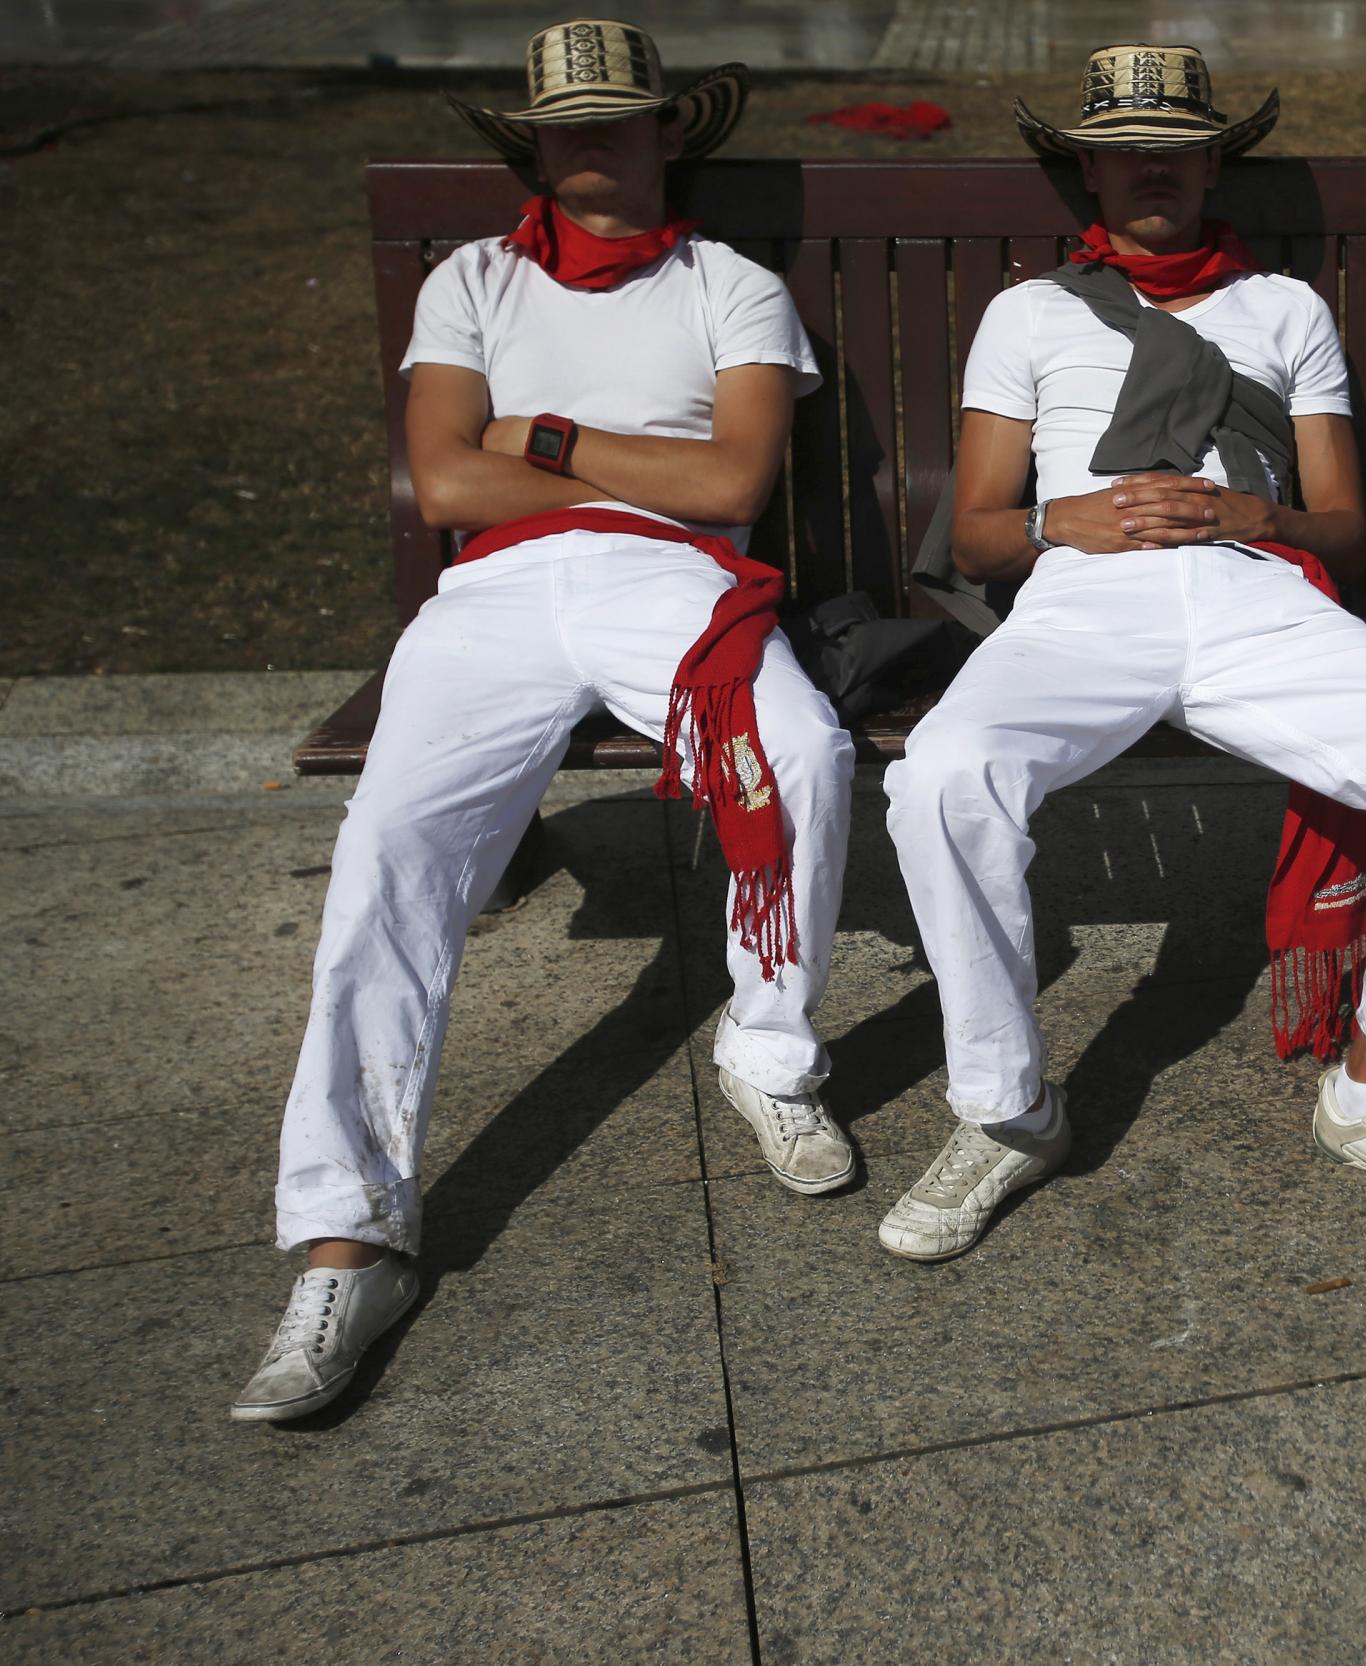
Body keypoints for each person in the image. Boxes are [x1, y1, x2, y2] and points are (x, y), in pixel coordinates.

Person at [234, 19, 855, 1422]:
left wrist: (555, 445)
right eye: (565, 128)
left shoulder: (731, 285)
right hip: (497, 597)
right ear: (532, 142)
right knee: (388, 851)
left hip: (674, 585)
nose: (592, 149)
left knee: (804, 755)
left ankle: (771, 1049)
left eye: (617, 122)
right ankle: (348, 1235)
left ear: (667, 132)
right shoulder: (473, 283)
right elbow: (447, 490)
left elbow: (735, 476)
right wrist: (640, 472)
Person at [880, 44, 1366, 1264]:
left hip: (1253, 594)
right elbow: (972, 534)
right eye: (1123, 153)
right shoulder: (1028, 312)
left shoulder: (1287, 309)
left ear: (1213, 157)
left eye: (1174, 147)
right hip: (1084, 596)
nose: (1150, 172)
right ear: (1083, 167)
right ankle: (1008, 1112)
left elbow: (1344, 522)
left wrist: (1262, 516)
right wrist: (1046, 521)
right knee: (940, 776)